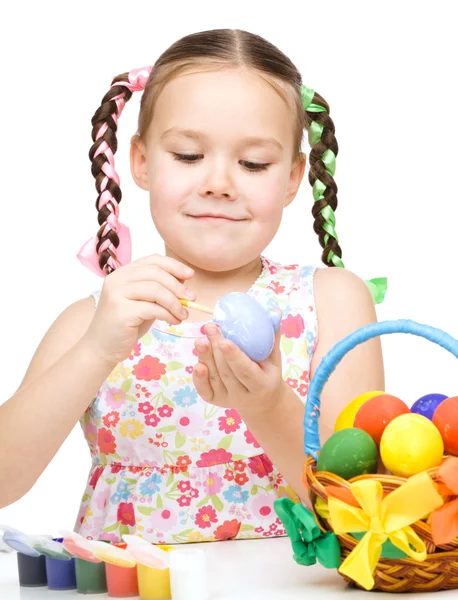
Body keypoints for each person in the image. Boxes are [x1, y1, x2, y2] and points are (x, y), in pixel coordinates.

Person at [0, 28, 385, 544]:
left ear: (294, 177)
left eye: (253, 163)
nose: (219, 182)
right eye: (187, 155)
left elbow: (363, 503)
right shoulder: (94, 321)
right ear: (140, 162)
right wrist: (95, 349)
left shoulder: (332, 301)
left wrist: (268, 407)